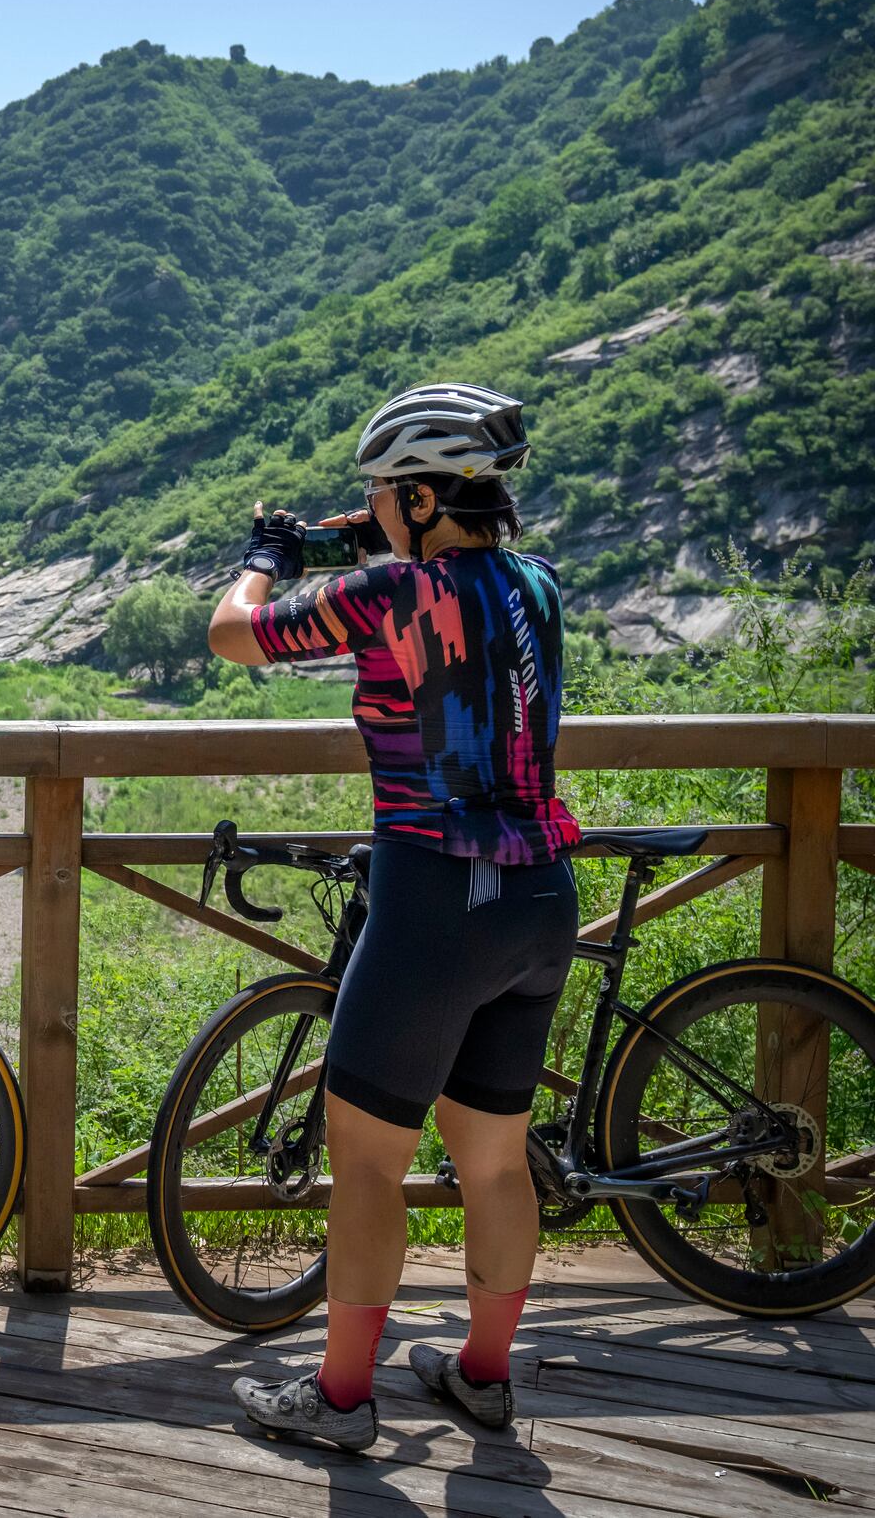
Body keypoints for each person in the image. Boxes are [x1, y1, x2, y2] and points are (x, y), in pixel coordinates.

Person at [207, 384, 581, 1453]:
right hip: (539, 897)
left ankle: (336, 1400)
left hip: (433, 901)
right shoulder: (538, 584)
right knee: (496, 1163)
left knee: (367, 1163)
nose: (366, 507)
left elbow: (232, 635)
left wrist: (269, 554)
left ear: (419, 498)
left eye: (379, 491)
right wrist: (353, 533)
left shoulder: (384, 595)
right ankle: (482, 1375)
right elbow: (434, 573)